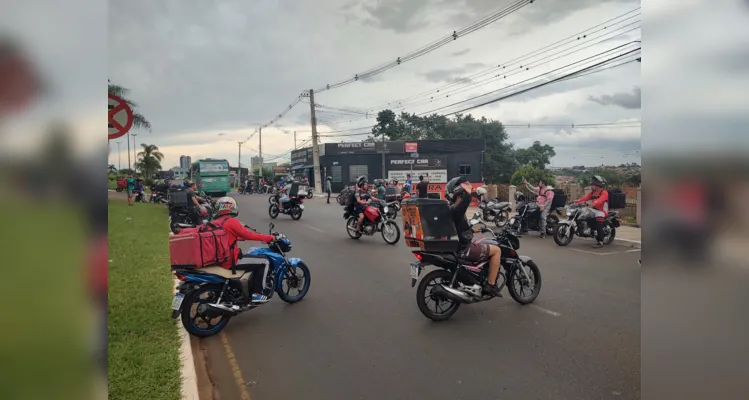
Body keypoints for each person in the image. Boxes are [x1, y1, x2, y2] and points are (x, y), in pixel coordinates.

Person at [212, 197, 277, 303]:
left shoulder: (215, 223)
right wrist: (269, 238)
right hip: (231, 260)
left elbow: (226, 236)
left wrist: (239, 237)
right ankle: (257, 294)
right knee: (264, 261)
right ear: (233, 208)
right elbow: (249, 235)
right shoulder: (232, 222)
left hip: (218, 259)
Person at [446, 176, 503, 297]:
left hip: (456, 247)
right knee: (497, 250)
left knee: (482, 244)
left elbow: (459, 227)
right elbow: (464, 204)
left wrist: (472, 230)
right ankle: (491, 285)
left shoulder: (449, 209)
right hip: (463, 249)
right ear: (459, 196)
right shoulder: (456, 210)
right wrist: (468, 192)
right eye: (461, 196)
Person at [573, 175, 609, 248]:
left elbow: (600, 200)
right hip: (593, 209)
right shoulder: (592, 192)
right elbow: (584, 198)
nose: (591, 186)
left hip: (601, 211)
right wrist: (575, 201)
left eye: (592, 184)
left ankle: (600, 242)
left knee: (599, 223)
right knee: (581, 213)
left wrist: (594, 203)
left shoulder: (604, 192)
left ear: (598, 185)